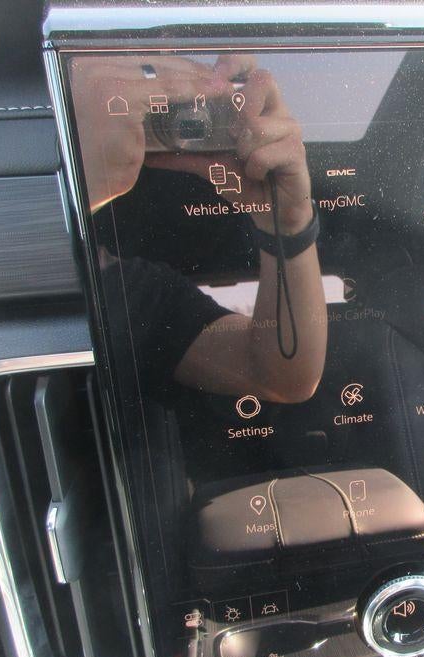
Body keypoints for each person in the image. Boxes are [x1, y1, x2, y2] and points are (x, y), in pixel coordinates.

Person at [71, 53, 328, 403]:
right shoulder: (117, 284)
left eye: (202, 97)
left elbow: (281, 376)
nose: (185, 118)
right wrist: (81, 182)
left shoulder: (131, 288)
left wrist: (286, 223)